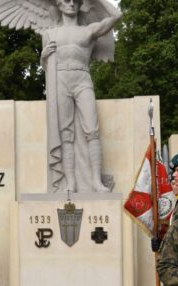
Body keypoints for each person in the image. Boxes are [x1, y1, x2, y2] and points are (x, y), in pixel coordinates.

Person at [41, 0, 121, 193]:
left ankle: (96, 181)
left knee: (92, 130)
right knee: (66, 134)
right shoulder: (49, 34)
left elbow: (117, 16)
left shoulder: (88, 30)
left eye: (75, 1)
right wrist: (43, 56)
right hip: (60, 79)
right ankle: (70, 183)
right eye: (66, 1)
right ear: (58, 5)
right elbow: (46, 67)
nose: (71, 4)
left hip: (82, 78)